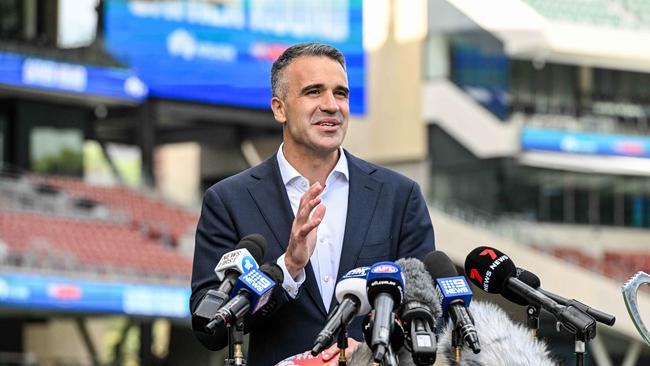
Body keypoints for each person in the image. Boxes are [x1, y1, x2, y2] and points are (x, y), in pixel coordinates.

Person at [190, 42, 435, 365]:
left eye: (341, 93)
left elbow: (429, 315)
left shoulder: (399, 196)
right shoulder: (229, 200)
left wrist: (366, 351)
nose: (331, 105)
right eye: (314, 92)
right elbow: (210, 329)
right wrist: (288, 267)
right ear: (279, 108)